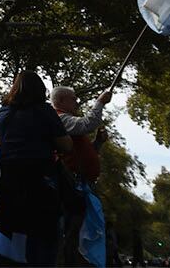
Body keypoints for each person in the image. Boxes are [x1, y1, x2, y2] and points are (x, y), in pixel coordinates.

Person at [0, 70, 73, 267]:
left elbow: (0, 144)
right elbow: (66, 145)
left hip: (9, 183)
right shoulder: (44, 112)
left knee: (5, 233)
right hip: (40, 182)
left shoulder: (3, 114)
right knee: (44, 236)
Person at [52, 86, 111, 266]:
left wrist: (98, 143)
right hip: (73, 188)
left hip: (81, 187)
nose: (77, 102)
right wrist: (100, 102)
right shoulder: (61, 119)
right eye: (73, 99)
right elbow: (88, 123)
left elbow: (82, 154)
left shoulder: (66, 120)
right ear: (61, 101)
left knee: (79, 233)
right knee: (74, 234)